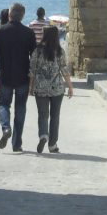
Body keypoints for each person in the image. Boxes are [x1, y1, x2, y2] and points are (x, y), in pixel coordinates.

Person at [0, 2, 37, 153]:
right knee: (20, 109)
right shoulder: (28, 33)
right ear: (22, 16)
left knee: (3, 104)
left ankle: (6, 128)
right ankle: (17, 144)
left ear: (9, 14)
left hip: (5, 76)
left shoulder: (0, 31)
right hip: (23, 77)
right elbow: (34, 58)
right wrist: (33, 80)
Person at [29, 25, 73, 153]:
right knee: (55, 116)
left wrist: (31, 87)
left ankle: (43, 135)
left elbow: (32, 71)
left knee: (43, 114)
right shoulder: (59, 51)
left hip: (40, 88)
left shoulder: (37, 51)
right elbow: (64, 71)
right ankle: (52, 144)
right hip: (57, 89)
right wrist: (70, 87)